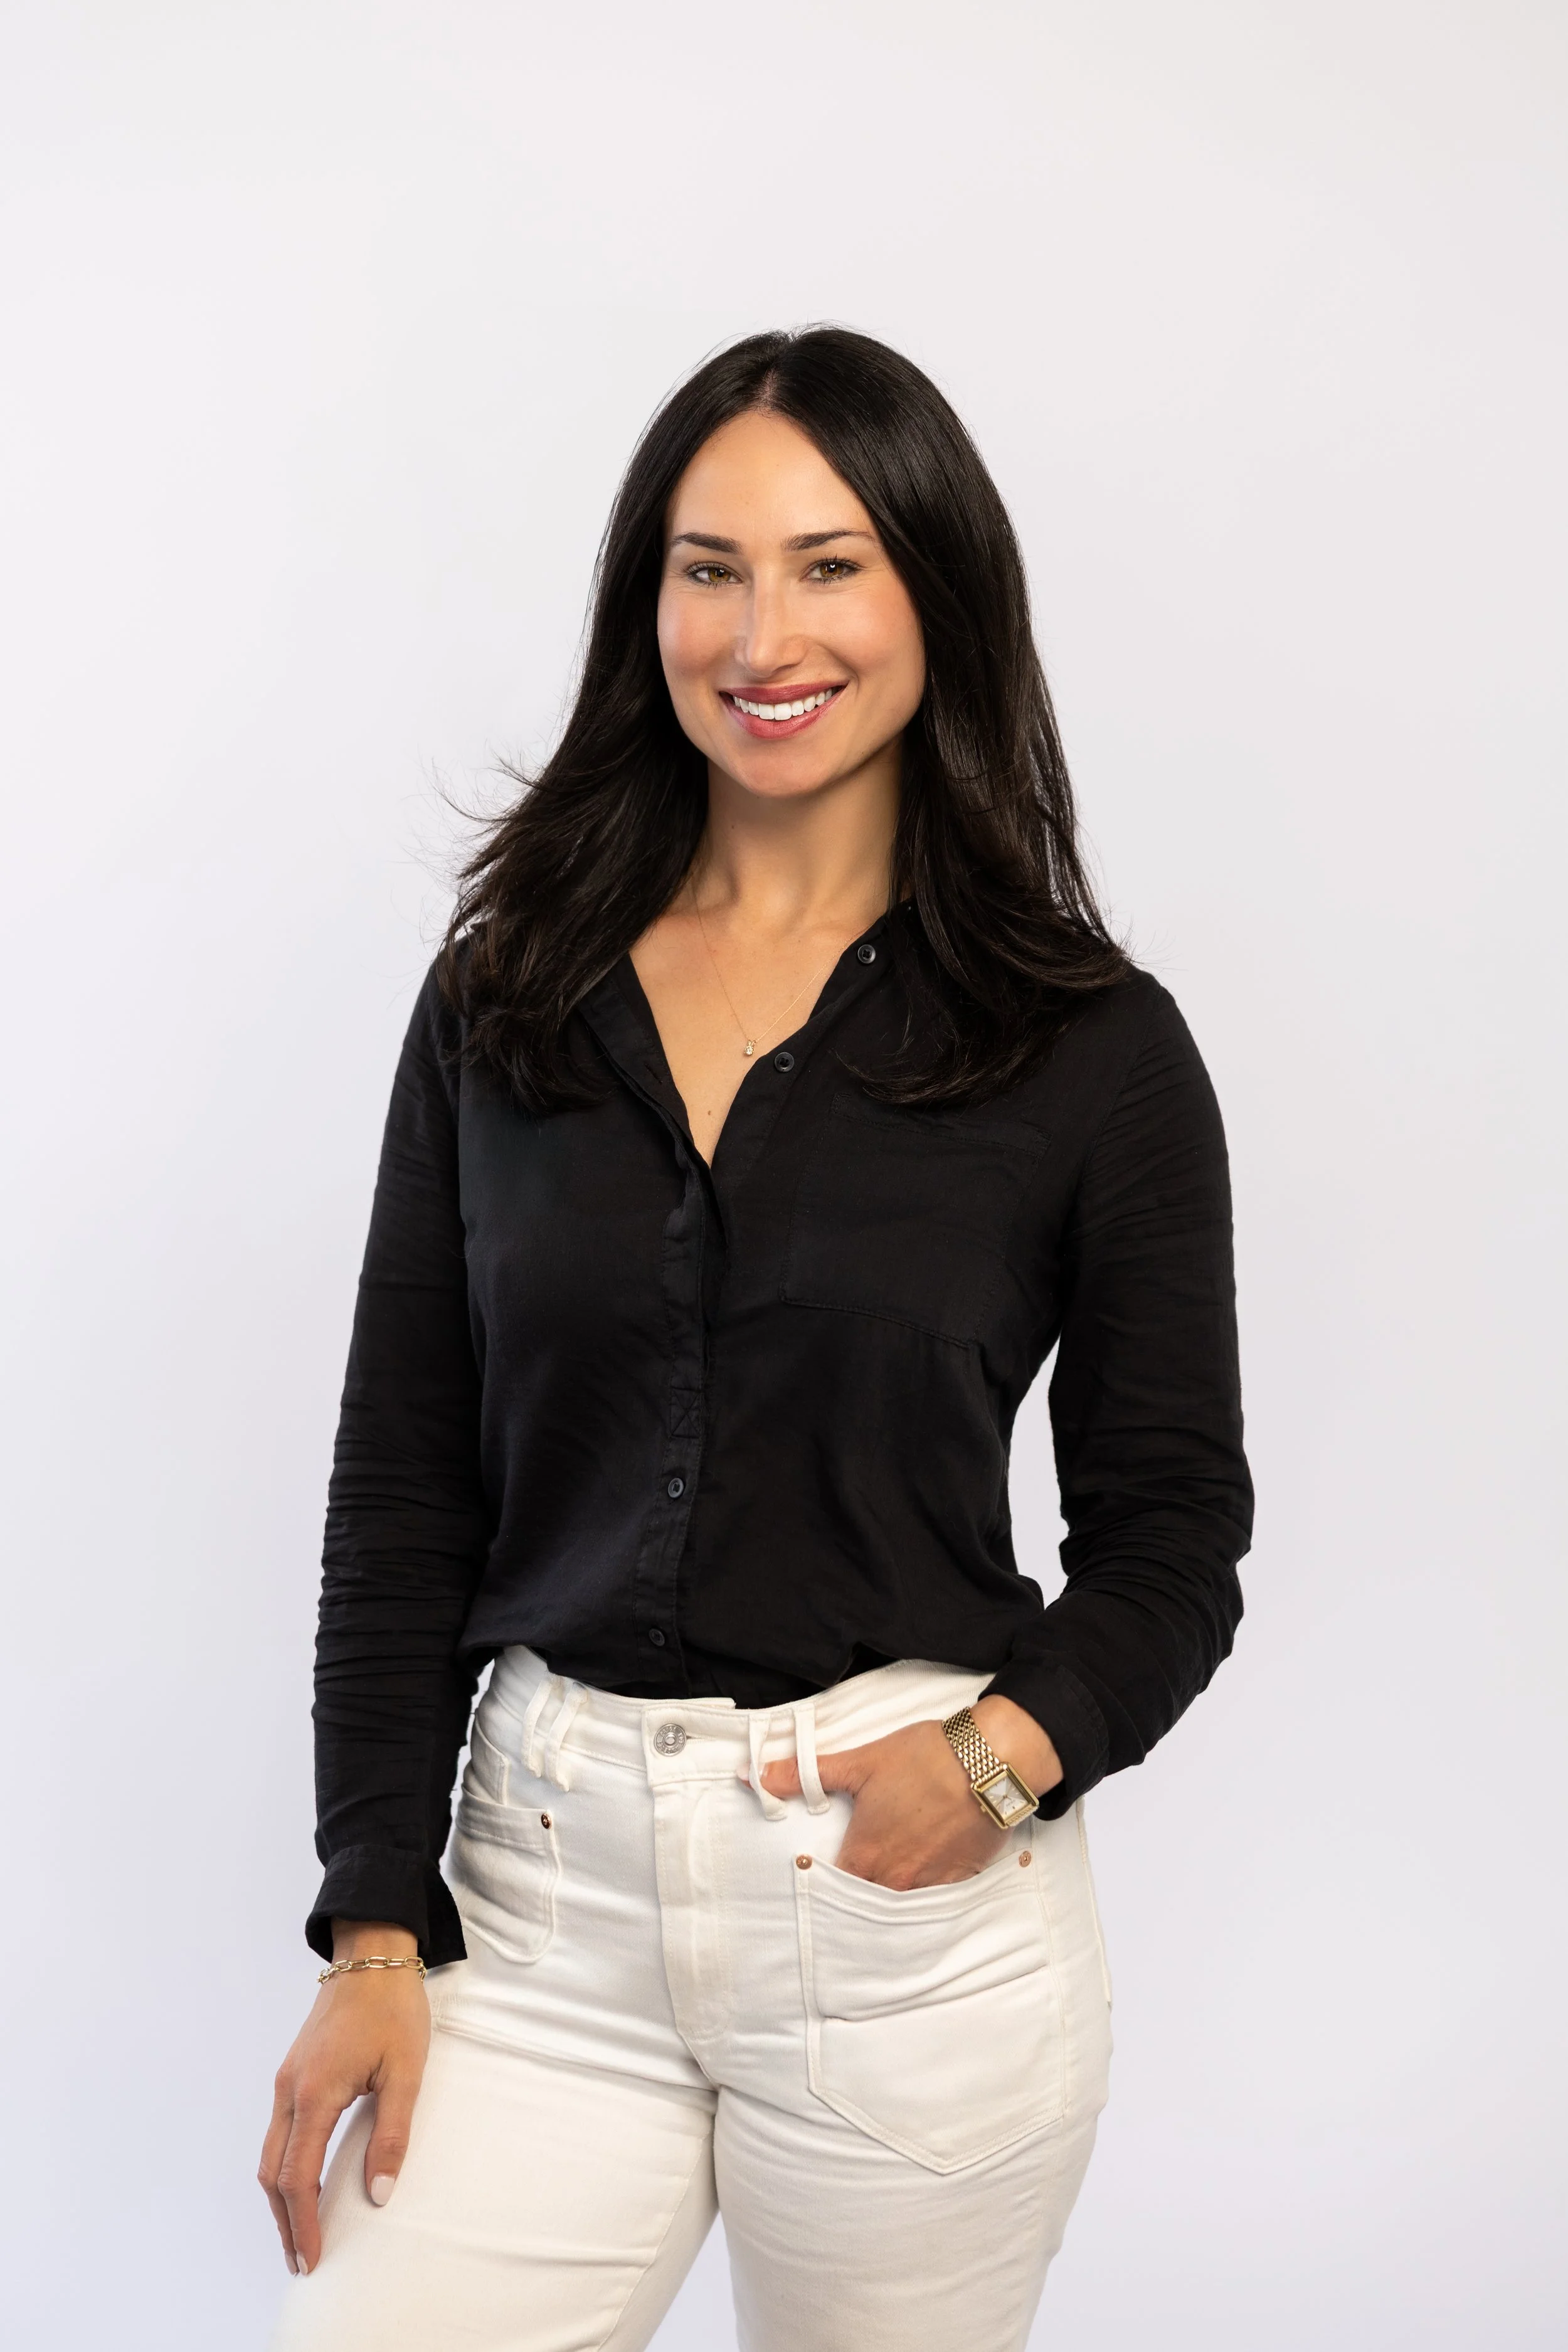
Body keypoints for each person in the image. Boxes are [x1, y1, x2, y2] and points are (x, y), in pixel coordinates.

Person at [259, 326, 1252, 2352]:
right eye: (709, 566)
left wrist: (994, 1761)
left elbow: (1171, 1537)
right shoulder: (507, 1000)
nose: (761, 628)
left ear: (933, 598)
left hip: (902, 1919)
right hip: (533, 1904)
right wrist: (374, 1915)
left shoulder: (1090, 1051)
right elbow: (403, 1487)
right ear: (650, 605)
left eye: (830, 561)